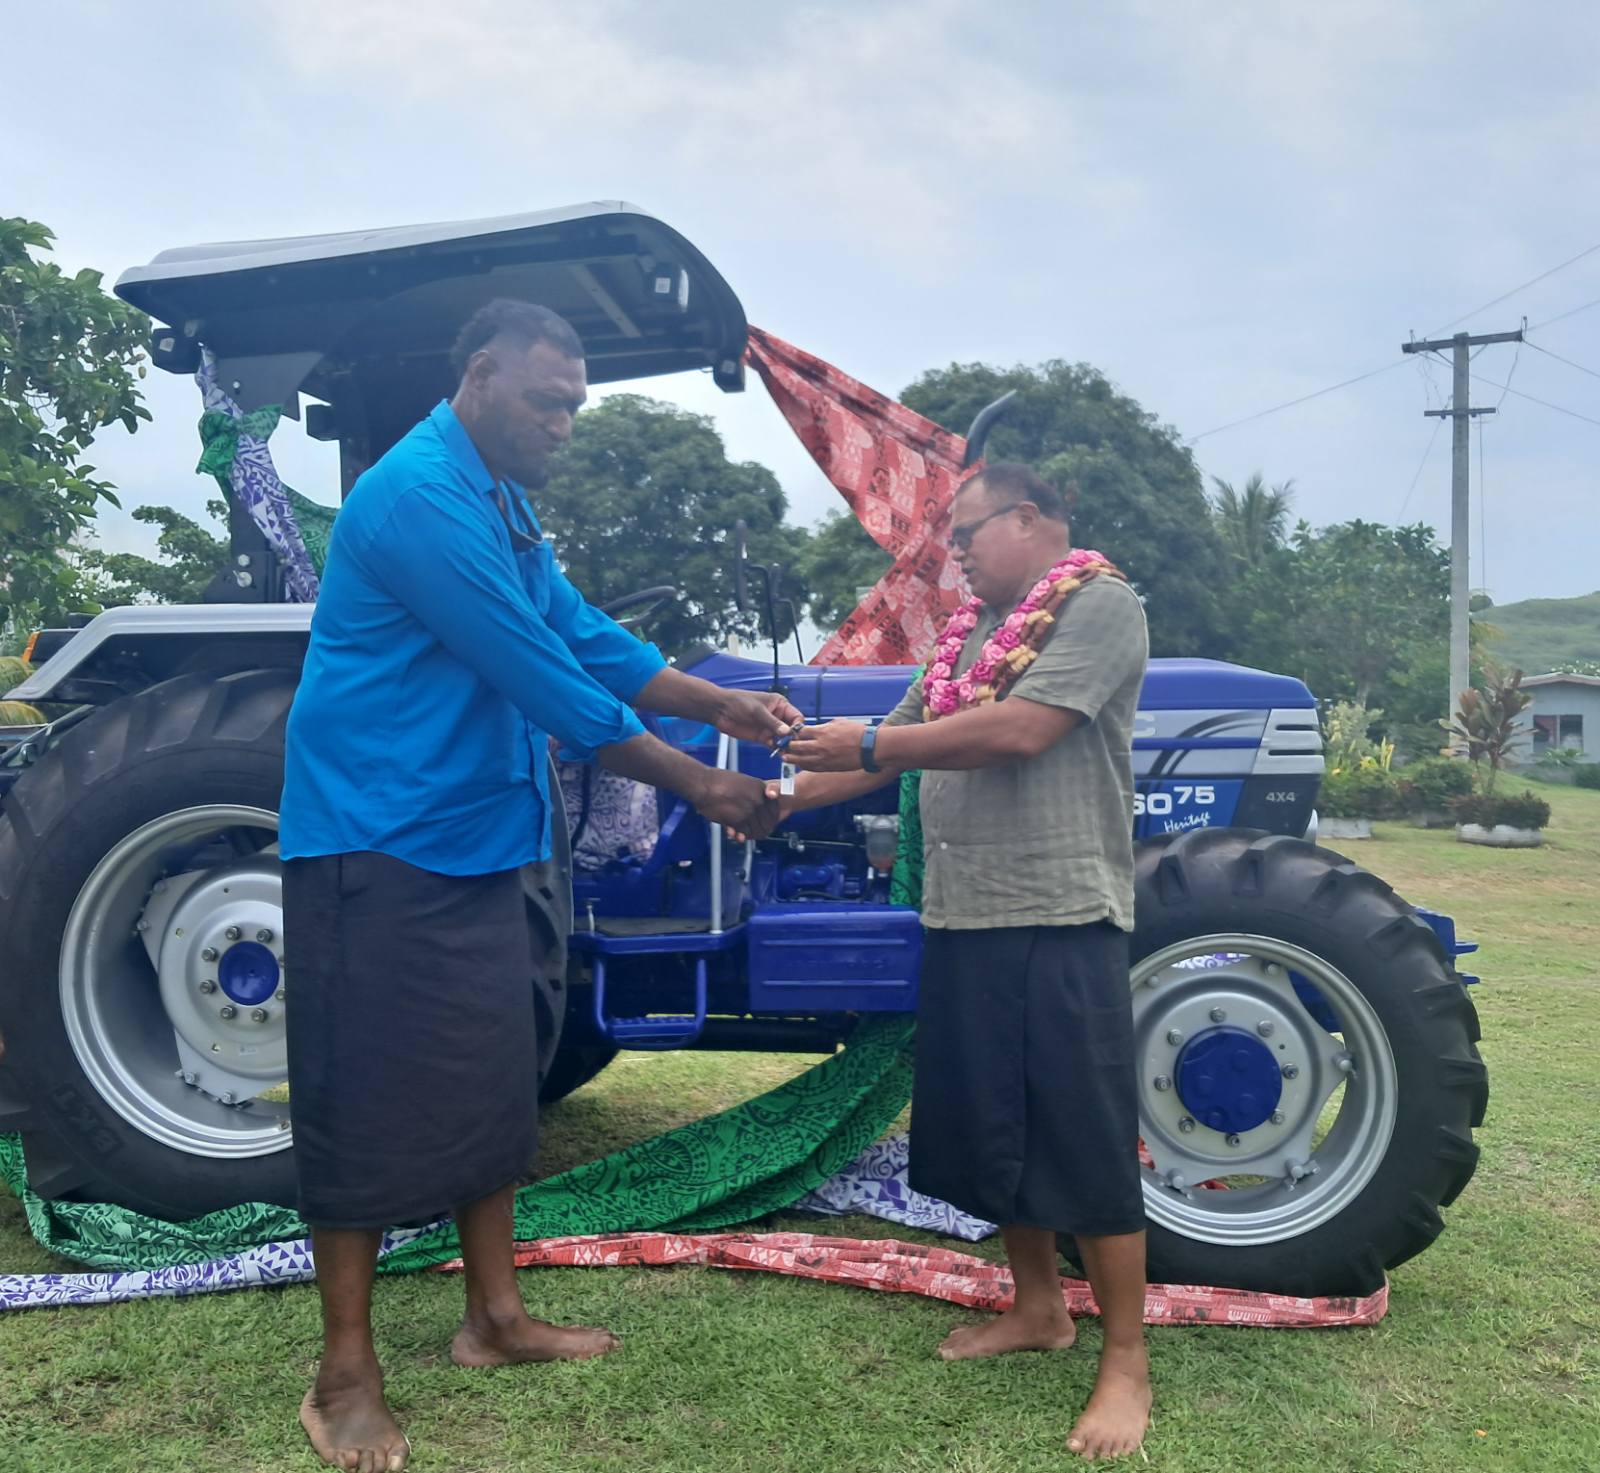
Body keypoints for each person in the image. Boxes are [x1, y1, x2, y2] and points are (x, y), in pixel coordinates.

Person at [278, 298, 796, 1473]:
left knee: (498, 1077)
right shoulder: (420, 498)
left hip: (482, 835)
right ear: (479, 377)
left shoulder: (498, 500)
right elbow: (540, 674)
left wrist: (716, 702)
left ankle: (495, 1318)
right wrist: (701, 783)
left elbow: (580, 631)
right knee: (362, 1099)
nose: (564, 423)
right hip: (379, 838)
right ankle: (343, 1373)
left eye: (574, 406)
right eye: (547, 402)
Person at [775, 462, 1152, 1462]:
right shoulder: (969, 632)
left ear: (1027, 519)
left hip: (1057, 911)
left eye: (967, 534)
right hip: (965, 911)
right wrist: (764, 800)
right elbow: (896, 739)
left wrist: (863, 747)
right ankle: (1037, 1307)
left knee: (1083, 1137)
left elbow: (1022, 731)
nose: (956, 556)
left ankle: (1126, 1359)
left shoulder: (1099, 603)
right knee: (995, 1127)